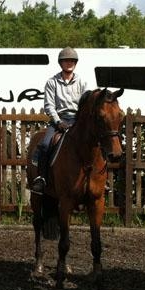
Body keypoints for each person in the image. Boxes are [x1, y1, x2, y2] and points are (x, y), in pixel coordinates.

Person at [29, 47, 89, 195]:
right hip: (59, 119)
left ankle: (97, 178)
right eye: (65, 61)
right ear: (60, 63)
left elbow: (86, 104)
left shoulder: (82, 81)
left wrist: (81, 121)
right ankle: (41, 178)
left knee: (93, 144)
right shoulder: (52, 82)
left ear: (75, 63)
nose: (69, 63)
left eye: (71, 61)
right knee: (44, 144)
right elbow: (49, 105)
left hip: (77, 120)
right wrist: (57, 122)